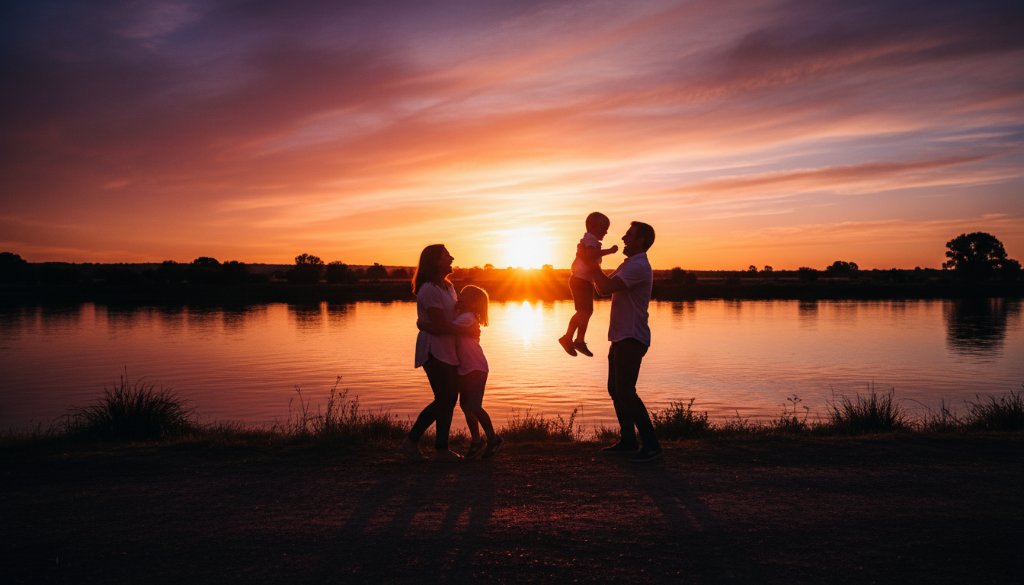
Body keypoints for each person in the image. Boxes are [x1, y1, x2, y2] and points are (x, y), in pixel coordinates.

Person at [582, 221, 662, 462]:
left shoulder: (638, 266)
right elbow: (601, 288)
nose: (624, 238)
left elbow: (605, 288)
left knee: (625, 391)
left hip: (632, 337)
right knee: (616, 390)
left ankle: (651, 445)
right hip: (620, 336)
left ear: (641, 241)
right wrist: (591, 264)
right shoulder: (628, 264)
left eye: (629, 235)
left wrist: (590, 261)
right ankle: (628, 441)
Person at [400, 244, 477, 461]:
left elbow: (447, 321)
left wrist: (471, 324)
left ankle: (440, 449)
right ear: (435, 261)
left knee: (448, 398)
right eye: (446, 256)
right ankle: (412, 442)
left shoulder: (447, 286)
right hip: (434, 350)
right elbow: (440, 324)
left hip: (449, 349)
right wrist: (466, 329)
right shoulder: (429, 289)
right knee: (445, 398)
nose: (452, 258)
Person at [453, 285, 503, 458]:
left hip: (476, 367)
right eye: (460, 293)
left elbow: (448, 328)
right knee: (465, 406)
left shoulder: (467, 318)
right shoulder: (462, 316)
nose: (459, 296)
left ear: (474, 303)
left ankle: (493, 438)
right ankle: (476, 440)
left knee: (473, 406)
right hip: (465, 368)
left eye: (464, 295)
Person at [559, 212, 618, 357]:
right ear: (592, 226)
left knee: (587, 312)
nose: (606, 231)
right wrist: (609, 251)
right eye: (603, 228)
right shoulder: (590, 240)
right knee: (583, 312)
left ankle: (578, 340)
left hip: (584, 281)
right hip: (580, 280)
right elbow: (591, 256)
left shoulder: (590, 240)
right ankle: (568, 338)